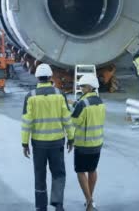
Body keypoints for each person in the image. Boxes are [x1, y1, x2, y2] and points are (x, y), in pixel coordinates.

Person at [22, 63, 74, 211]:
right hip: (57, 143)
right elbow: (67, 119)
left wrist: (24, 143)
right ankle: (58, 205)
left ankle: (41, 207)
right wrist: (71, 139)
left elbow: (26, 123)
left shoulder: (30, 97)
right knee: (58, 174)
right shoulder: (60, 95)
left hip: (39, 145)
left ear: (37, 77)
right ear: (51, 77)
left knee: (39, 175)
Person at [71, 74, 105, 211]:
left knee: (80, 171)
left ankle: (89, 201)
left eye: (83, 86)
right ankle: (90, 198)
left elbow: (74, 121)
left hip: (83, 144)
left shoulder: (82, 104)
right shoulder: (100, 102)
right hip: (97, 143)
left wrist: (71, 110)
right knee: (92, 170)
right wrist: (75, 104)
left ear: (90, 87)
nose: (81, 88)